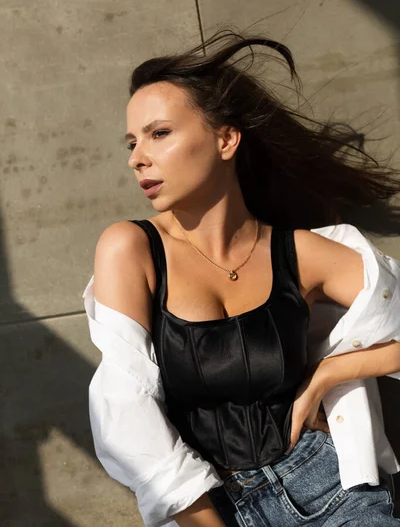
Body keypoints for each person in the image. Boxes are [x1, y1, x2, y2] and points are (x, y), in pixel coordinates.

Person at [87, 28, 400, 526]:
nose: (136, 157)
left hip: (331, 491)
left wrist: (331, 373)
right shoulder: (131, 249)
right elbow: (127, 419)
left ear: (226, 138)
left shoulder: (299, 252)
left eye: (159, 133)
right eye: (133, 141)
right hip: (214, 508)